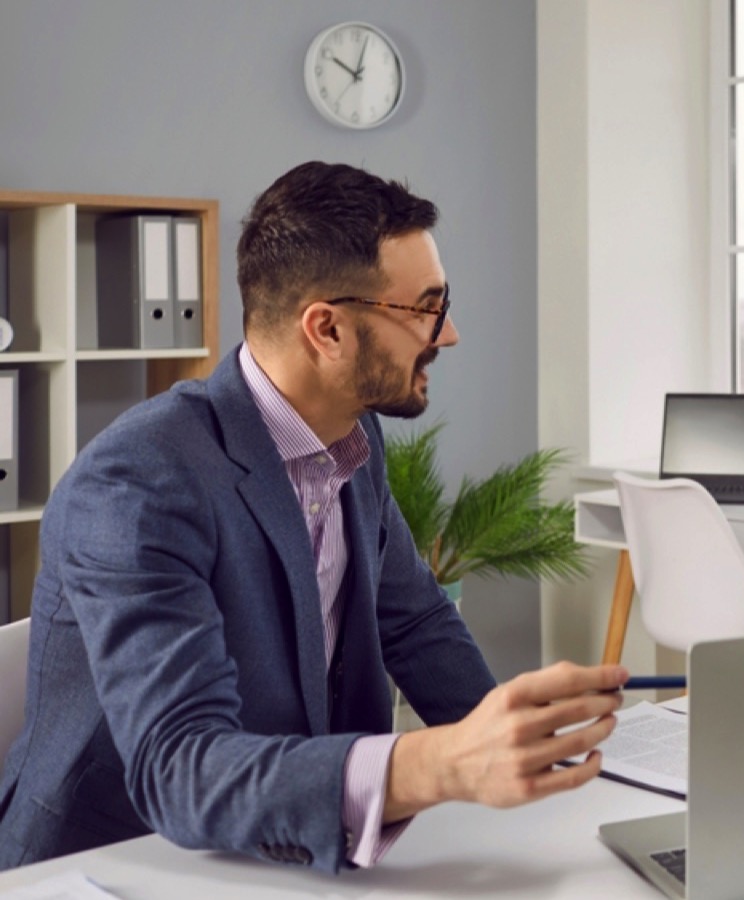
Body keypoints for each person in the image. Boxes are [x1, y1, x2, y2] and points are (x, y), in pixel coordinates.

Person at [0, 162, 625, 873]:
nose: (447, 334)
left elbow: (414, 623)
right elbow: (179, 766)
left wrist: (530, 751)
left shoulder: (351, 440)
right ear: (325, 329)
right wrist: (438, 763)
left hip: (282, 848)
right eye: (426, 306)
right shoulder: (136, 481)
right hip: (113, 865)